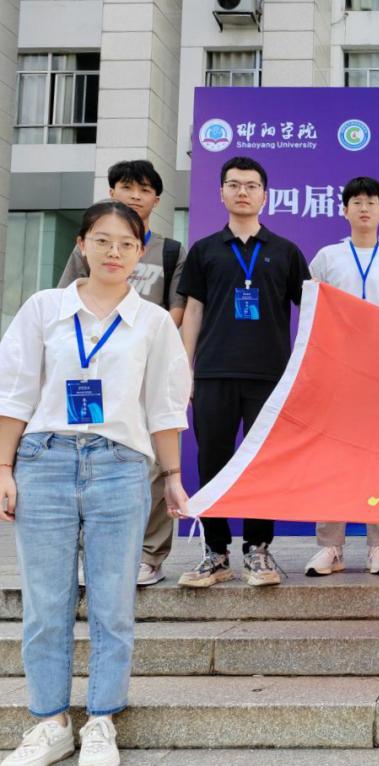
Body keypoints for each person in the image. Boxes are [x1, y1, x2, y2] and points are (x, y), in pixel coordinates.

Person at [0, 201, 191, 766]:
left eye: (126, 244)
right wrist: (3, 468)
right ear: (81, 244)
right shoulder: (44, 308)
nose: (114, 252)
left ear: (141, 252)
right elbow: (15, 392)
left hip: (120, 465)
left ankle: (102, 720)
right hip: (44, 460)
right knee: (45, 603)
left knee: (112, 601)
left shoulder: (153, 322)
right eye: (102, 240)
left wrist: (173, 477)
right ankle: (50, 723)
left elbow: (164, 406)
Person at [177, 156, 310, 588]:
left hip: (269, 376)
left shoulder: (286, 252)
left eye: (251, 186)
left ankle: (257, 550)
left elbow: (311, 311)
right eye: (233, 185)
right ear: (221, 193)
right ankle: (216, 554)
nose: (242, 192)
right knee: (212, 461)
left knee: (262, 463)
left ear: (264, 195)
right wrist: (186, 369)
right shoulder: (204, 250)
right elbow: (193, 312)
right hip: (213, 372)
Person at [58, 159, 187, 587]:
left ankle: (149, 554)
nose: (135, 196)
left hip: (142, 364)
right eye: (128, 187)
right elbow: (66, 301)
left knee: (154, 463)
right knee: (89, 458)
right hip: (92, 366)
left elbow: (176, 309)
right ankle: (91, 552)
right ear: (112, 191)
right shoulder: (91, 245)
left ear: (156, 199)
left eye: (145, 190)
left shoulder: (170, 250)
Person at [304, 176, 379, 577]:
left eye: (372, 202)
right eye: (356, 202)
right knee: (332, 456)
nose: (364, 208)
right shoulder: (327, 257)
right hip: (336, 371)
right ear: (344, 210)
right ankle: (331, 547)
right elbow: (312, 310)